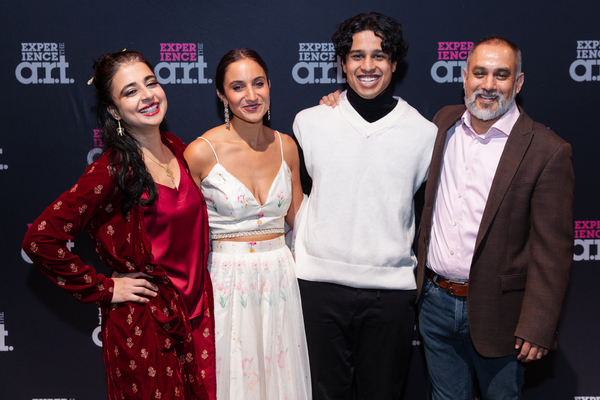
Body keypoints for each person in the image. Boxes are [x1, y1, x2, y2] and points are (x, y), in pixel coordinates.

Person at [22, 51, 215, 400]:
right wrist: (107, 288)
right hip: (146, 329)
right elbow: (40, 239)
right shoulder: (112, 170)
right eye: (130, 91)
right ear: (113, 111)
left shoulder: (176, 148)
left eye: (151, 82)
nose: (147, 95)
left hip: (195, 320)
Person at [416, 36, 575, 399]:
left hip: (501, 315)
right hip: (435, 304)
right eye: (480, 73)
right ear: (464, 77)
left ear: (517, 83)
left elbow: (553, 251)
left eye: (501, 75)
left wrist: (538, 325)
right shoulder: (443, 124)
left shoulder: (548, 151)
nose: (488, 85)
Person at [292, 12, 437, 399]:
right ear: (342, 64)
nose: (367, 66)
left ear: (394, 63)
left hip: (389, 295)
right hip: (318, 287)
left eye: (379, 55)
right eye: (357, 56)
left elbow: (423, 220)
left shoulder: (425, 135)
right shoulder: (310, 122)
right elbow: (300, 198)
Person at [184, 48, 311, 400]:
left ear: (270, 86)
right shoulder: (200, 152)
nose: (251, 96)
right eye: (238, 87)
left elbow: (301, 221)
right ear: (222, 95)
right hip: (226, 278)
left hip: (280, 276)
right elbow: (181, 231)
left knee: (280, 376)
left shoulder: (287, 146)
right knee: (233, 377)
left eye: (258, 83)